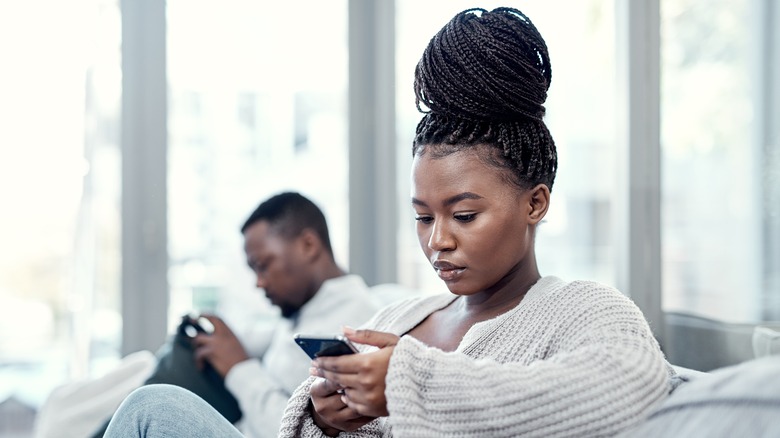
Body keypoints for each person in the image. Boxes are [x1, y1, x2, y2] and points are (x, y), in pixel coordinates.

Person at [102, 7, 672, 437]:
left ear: (536, 203)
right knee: (153, 408)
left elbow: (629, 389)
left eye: (465, 215)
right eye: (423, 218)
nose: (438, 241)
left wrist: (408, 384)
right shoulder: (401, 317)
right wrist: (326, 420)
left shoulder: (581, 310)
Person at [102, 191, 380, 438]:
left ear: (308, 245)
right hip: (241, 424)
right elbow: (270, 341)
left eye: (263, 265)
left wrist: (238, 367)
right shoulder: (307, 310)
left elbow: (298, 430)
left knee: (149, 408)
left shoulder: (354, 322)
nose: (259, 282)